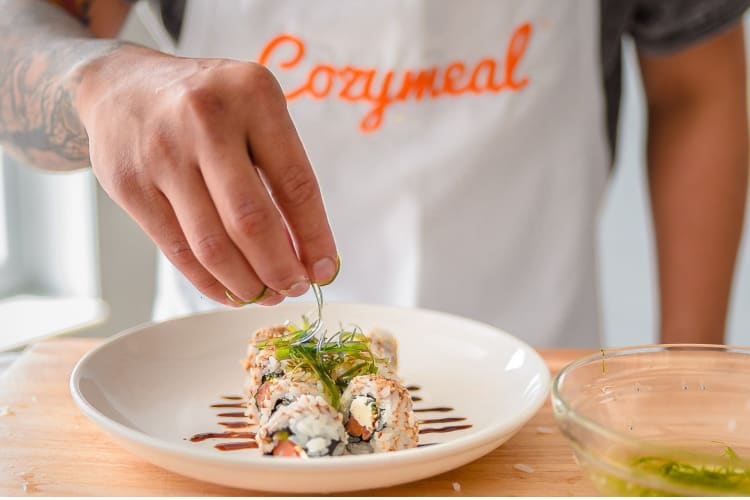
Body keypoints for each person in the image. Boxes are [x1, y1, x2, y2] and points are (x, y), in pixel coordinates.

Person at [0, 0, 747, 347]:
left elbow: (696, 87)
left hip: (535, 368)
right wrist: (91, 84)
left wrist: (687, 368)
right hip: (223, 392)